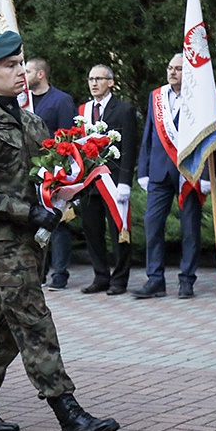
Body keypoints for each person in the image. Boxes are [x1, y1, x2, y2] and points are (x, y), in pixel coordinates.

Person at [0, 31, 119, 431]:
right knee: (33, 321)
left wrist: (65, 191)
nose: (20, 72)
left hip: (33, 240)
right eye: (9, 66)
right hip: (1, 241)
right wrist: (32, 211)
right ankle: (69, 414)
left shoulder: (30, 120)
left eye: (20, 63)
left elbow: (44, 175)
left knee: (4, 326)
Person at [131, 54, 210, 299]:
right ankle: (155, 279)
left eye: (179, 69)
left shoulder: (201, 99)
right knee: (153, 225)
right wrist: (143, 169)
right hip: (159, 171)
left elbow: (207, 139)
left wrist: (205, 174)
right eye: (170, 68)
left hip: (189, 172)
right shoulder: (157, 96)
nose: (173, 72)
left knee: (190, 228)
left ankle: (187, 280)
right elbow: (148, 134)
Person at [77, 65, 137, 295]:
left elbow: (129, 148)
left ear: (111, 82)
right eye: (91, 79)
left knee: (118, 231)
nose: (94, 83)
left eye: (99, 79)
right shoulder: (83, 110)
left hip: (113, 181)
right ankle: (100, 276)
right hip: (88, 182)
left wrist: (125, 182)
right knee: (92, 231)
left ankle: (119, 280)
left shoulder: (124, 110)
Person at [25, 57, 77, 291]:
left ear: (40, 75)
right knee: (33, 219)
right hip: (29, 169)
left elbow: (68, 136)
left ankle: (60, 274)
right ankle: (39, 270)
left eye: (26, 71)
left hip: (54, 169)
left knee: (58, 221)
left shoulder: (61, 100)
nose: (22, 75)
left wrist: (61, 168)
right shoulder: (22, 101)